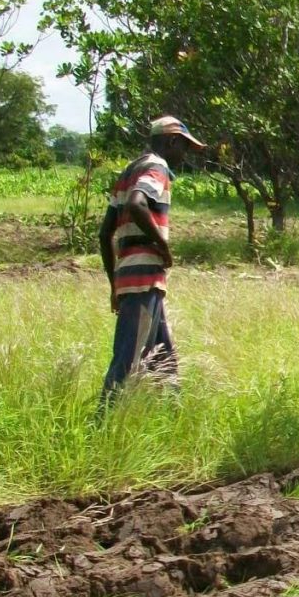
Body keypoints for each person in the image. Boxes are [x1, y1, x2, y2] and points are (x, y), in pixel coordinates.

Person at [98, 114, 206, 403]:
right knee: (127, 360)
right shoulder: (157, 168)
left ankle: (175, 416)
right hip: (144, 277)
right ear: (171, 141)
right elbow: (137, 203)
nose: (184, 156)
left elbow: (104, 233)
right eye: (183, 147)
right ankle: (102, 422)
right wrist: (163, 247)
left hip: (132, 279)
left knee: (164, 359)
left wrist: (115, 286)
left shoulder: (128, 171)